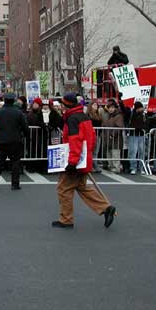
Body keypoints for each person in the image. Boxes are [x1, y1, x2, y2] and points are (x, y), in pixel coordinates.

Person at [52, 93, 116, 229]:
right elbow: (92, 138)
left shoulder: (72, 119)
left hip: (76, 160)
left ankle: (66, 219)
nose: (61, 107)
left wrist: (73, 162)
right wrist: (87, 156)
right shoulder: (84, 116)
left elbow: (75, 141)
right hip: (83, 158)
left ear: (67, 105)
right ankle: (106, 207)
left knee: (64, 189)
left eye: (62, 104)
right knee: (82, 187)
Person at [0, 93, 30, 191]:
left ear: (5, 100)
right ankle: (15, 184)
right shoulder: (19, 113)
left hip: (1, 141)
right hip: (15, 141)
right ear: (13, 101)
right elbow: (25, 127)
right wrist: (27, 137)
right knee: (15, 163)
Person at [102, 99, 124, 173]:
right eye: (109, 108)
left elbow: (119, 127)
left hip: (115, 138)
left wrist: (112, 135)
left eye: (112, 108)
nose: (111, 109)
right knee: (109, 153)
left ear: (115, 108)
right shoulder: (109, 116)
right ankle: (111, 166)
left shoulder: (118, 116)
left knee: (115, 154)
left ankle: (116, 167)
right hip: (108, 137)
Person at [127, 101, 147, 175]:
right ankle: (133, 167)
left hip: (142, 135)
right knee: (133, 151)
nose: (142, 109)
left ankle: (141, 167)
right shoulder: (132, 114)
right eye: (140, 107)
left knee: (142, 151)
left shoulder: (144, 114)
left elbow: (146, 123)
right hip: (133, 134)